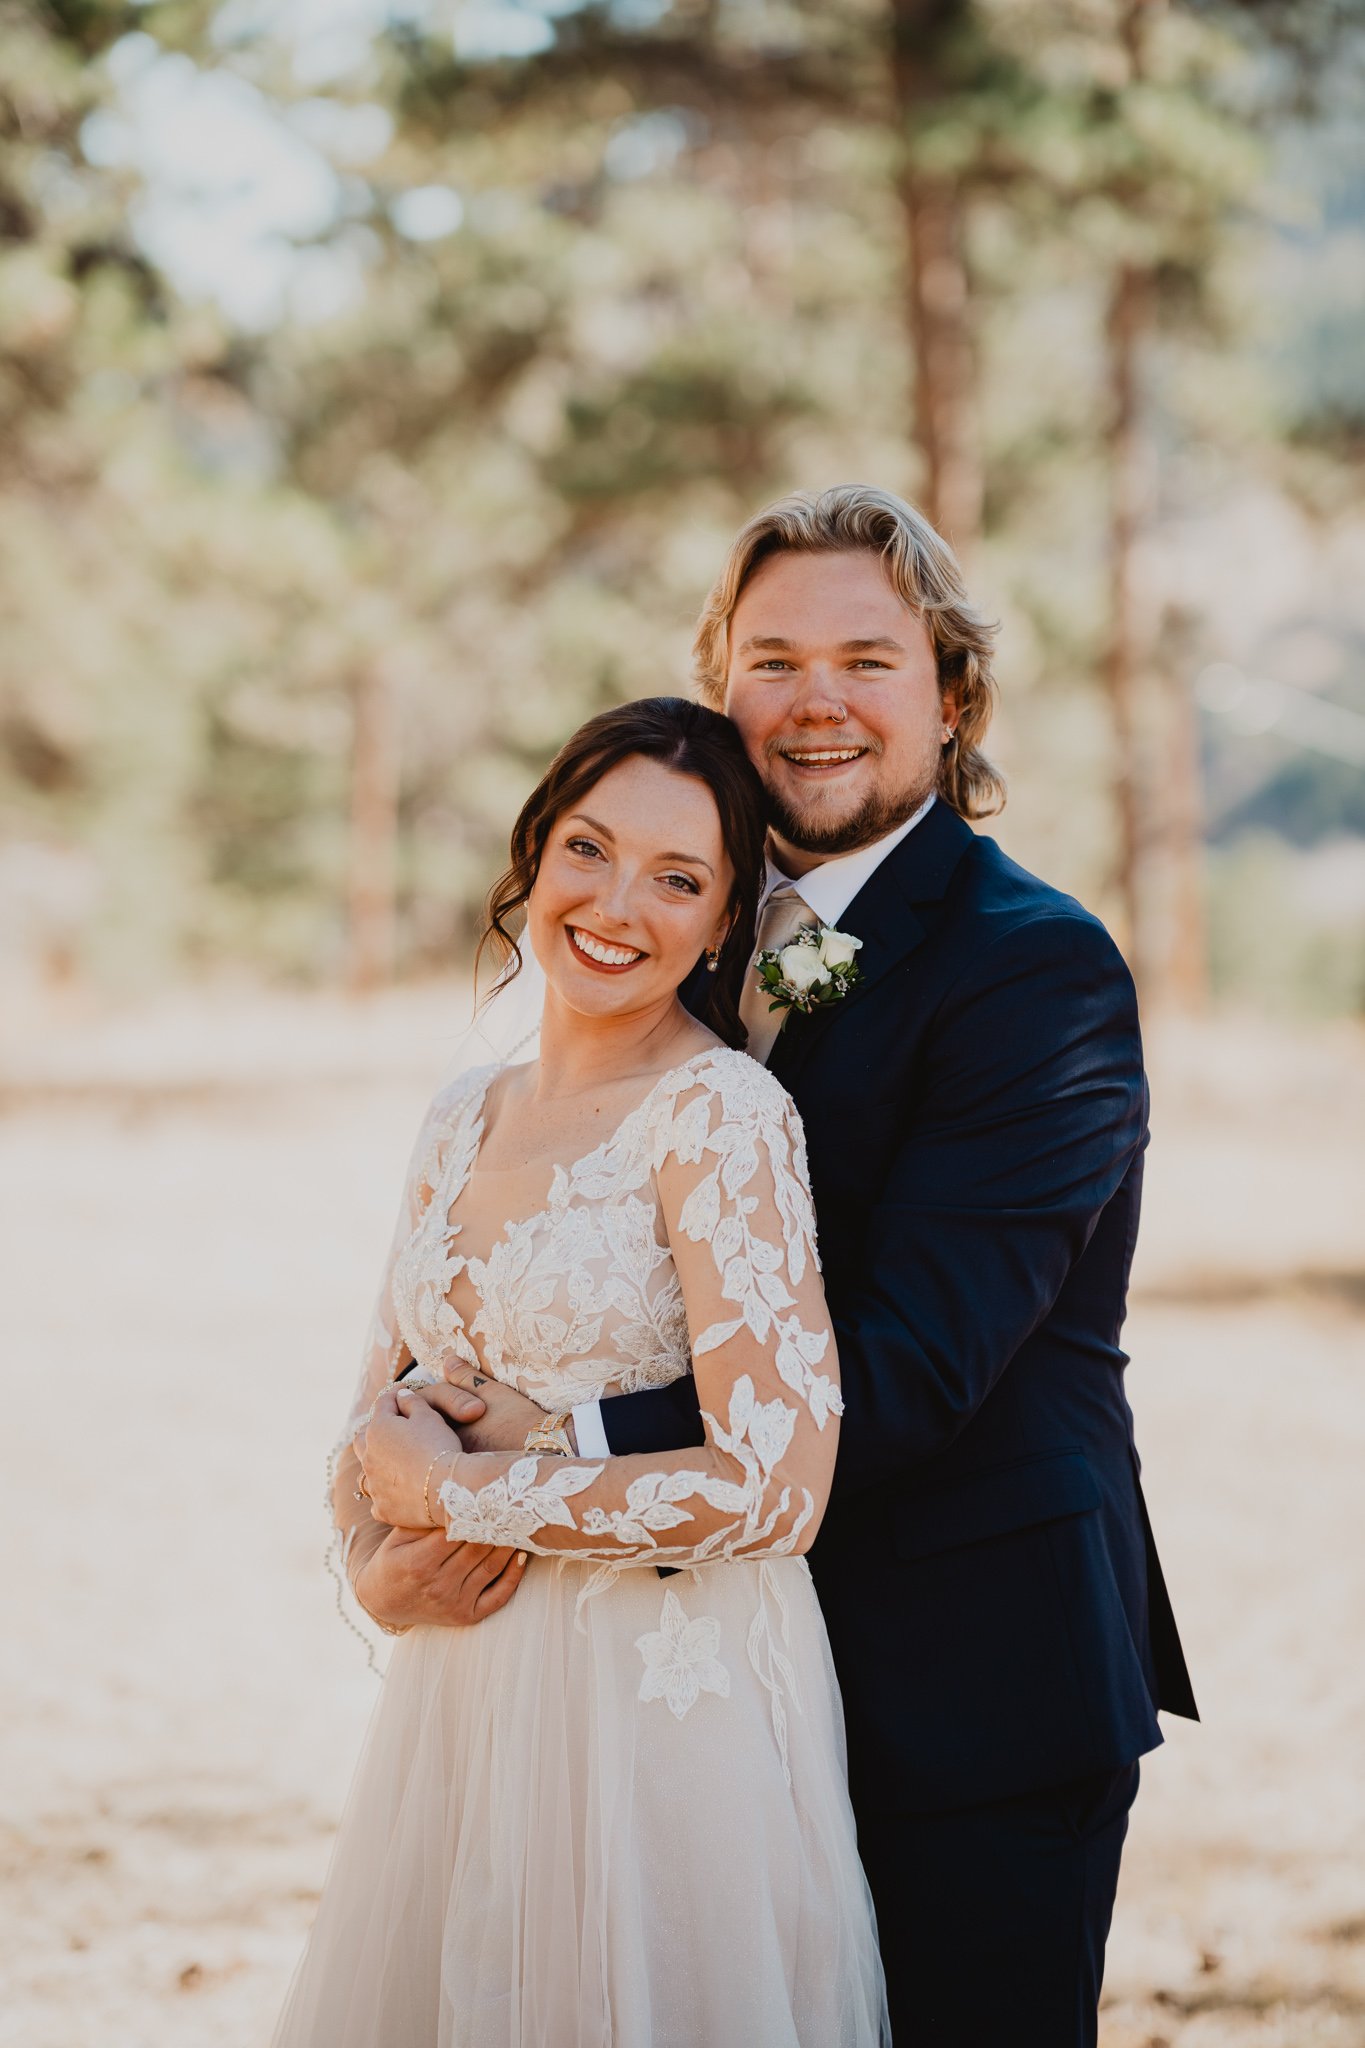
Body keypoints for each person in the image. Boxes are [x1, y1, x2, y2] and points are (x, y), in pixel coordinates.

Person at [427, 485, 1199, 2047]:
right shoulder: (683, 922)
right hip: (692, 1683)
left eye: (866, 658)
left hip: (966, 1683)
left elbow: (907, 1367)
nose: (815, 703)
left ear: (950, 694)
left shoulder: (1032, 970)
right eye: (772, 659)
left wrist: (537, 1452)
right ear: (721, 682)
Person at [272, 696, 889, 2048]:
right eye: (589, 850)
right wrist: (378, 1565)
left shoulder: (721, 1120)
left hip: (663, 1714)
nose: (617, 904)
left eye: (678, 878)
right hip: (467, 1697)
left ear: (727, 921)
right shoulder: (462, 1112)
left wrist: (467, 1496)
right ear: (534, 853)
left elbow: (776, 1491)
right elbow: (379, 1424)